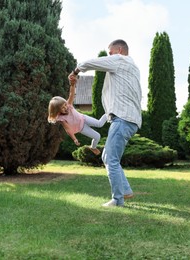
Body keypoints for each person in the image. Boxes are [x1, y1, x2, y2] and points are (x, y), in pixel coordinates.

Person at [68, 39, 142, 207]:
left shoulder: (120, 60)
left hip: (122, 118)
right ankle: (126, 190)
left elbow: (90, 62)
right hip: (131, 120)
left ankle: (118, 199)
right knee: (107, 156)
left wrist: (76, 71)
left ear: (120, 50)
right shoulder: (133, 67)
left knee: (110, 158)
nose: (109, 56)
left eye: (110, 52)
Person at [48, 78, 107, 155]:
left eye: (65, 105)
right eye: (62, 107)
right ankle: (93, 147)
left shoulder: (69, 105)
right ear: (57, 110)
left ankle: (109, 113)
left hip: (84, 118)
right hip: (81, 128)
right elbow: (68, 129)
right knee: (97, 136)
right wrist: (74, 139)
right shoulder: (61, 119)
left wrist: (72, 85)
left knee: (100, 123)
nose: (65, 107)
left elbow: (71, 94)